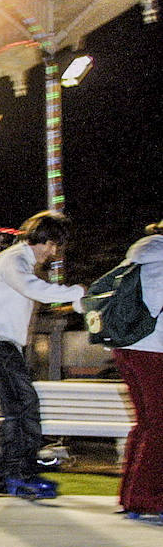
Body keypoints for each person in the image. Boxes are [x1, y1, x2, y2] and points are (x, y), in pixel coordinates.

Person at [0, 211, 84, 500]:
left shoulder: (18, 261)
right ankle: (21, 473)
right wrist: (76, 292)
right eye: (53, 244)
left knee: (16, 410)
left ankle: (7, 476)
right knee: (25, 404)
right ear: (42, 239)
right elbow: (35, 290)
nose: (53, 252)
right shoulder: (14, 260)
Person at [113, 219, 163, 521]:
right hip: (153, 349)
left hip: (127, 347)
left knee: (146, 423)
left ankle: (131, 495)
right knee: (159, 426)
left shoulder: (138, 256)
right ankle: (146, 498)